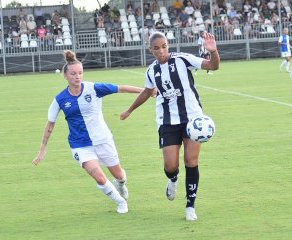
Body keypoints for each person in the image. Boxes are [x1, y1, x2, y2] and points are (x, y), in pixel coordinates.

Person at [32, 50, 148, 214]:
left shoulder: (93, 88)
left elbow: (120, 88)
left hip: (103, 139)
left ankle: (120, 184)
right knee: (99, 177)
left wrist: (147, 91)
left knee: (119, 175)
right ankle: (120, 202)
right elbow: (50, 125)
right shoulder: (60, 99)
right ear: (65, 76)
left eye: (80, 73)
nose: (77, 76)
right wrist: (42, 149)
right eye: (73, 74)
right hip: (80, 145)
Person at [120, 31, 220, 221]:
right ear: (151, 50)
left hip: (192, 119)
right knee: (170, 165)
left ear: (168, 45)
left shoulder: (182, 59)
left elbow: (213, 66)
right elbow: (147, 92)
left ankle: (190, 205)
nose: (161, 51)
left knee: (191, 161)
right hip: (167, 121)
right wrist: (130, 109)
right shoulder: (151, 71)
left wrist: (213, 51)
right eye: (157, 48)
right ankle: (172, 179)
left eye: (164, 46)